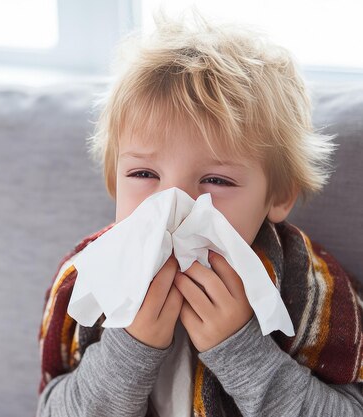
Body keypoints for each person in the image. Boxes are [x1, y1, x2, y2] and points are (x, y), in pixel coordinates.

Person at [36, 11, 363, 417]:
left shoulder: (309, 286)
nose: (175, 205)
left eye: (217, 181)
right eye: (143, 174)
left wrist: (243, 351)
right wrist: (128, 349)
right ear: (114, 183)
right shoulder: (87, 282)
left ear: (277, 196)